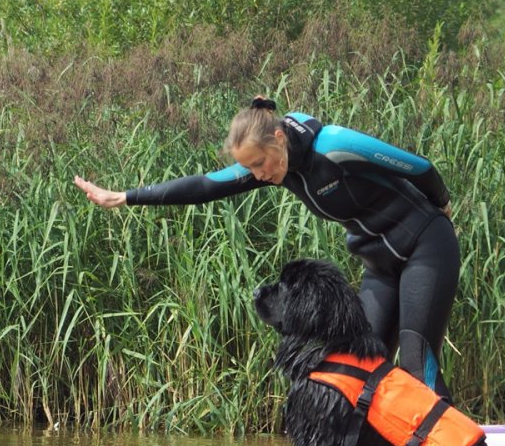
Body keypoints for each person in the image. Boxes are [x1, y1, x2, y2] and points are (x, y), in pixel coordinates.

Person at [74, 98, 459, 400]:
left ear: (278, 139)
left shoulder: (335, 146)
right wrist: (125, 197)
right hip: (380, 264)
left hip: (425, 244)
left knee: (415, 364)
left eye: (259, 165)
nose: (258, 176)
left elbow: (418, 167)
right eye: (251, 169)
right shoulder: (275, 165)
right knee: (356, 368)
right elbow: (206, 186)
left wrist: (441, 206)